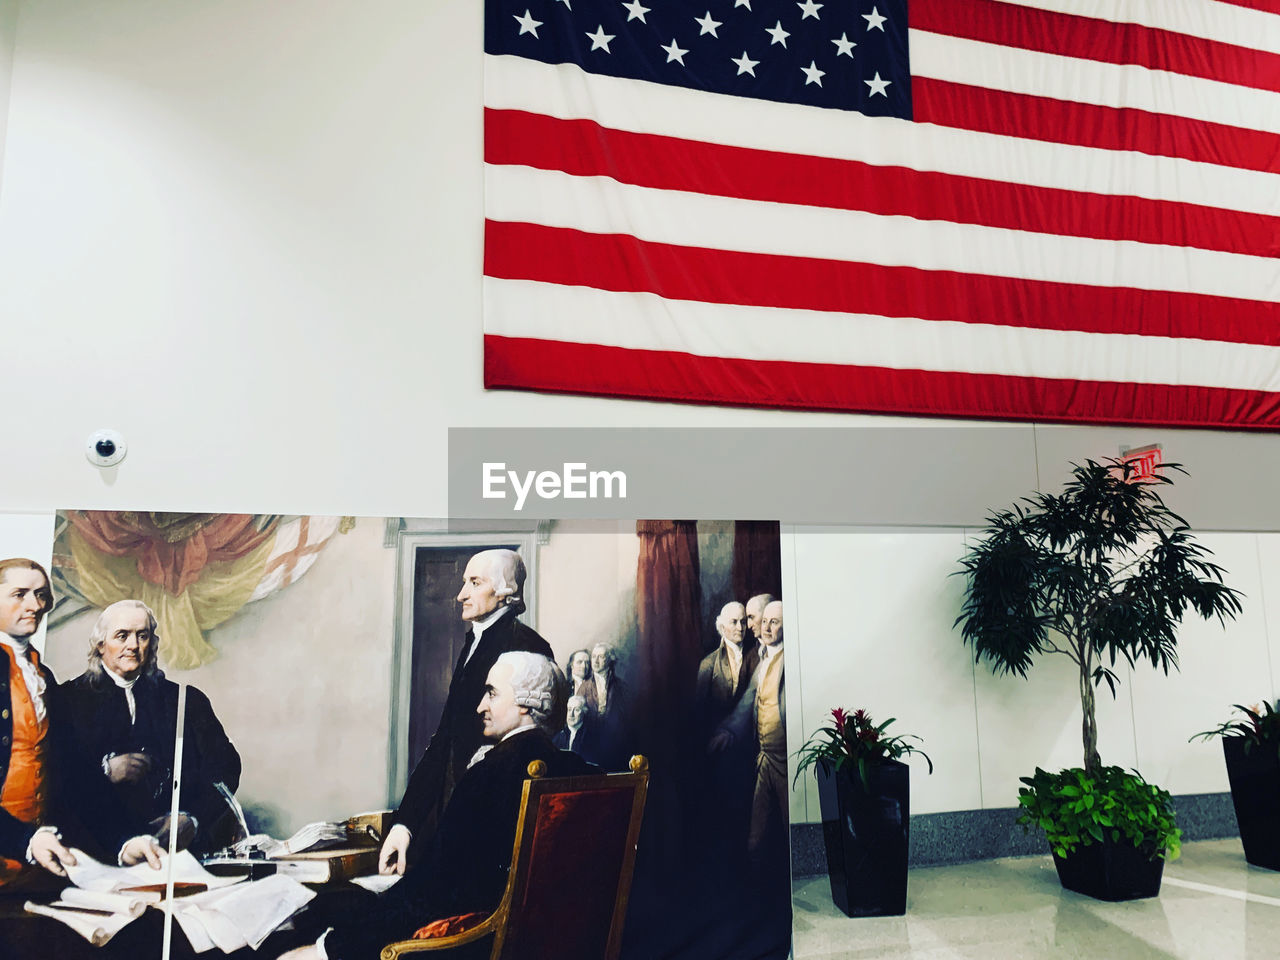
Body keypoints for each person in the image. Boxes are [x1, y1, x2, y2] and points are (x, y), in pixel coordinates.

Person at [276, 652, 594, 960]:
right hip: (548, 943)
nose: (481, 706)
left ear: (527, 703)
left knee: (308, 922)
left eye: (492, 694)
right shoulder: (581, 771)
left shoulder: (487, 776)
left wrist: (331, 949)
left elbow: (434, 894)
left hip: (471, 944)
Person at [381, 549, 552, 874]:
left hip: (491, 825)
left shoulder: (527, 647)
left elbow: (528, 747)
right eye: (465, 583)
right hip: (454, 816)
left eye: (475, 583)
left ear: (506, 593)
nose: (461, 595)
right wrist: (405, 825)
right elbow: (445, 740)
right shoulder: (474, 642)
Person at [59, 599, 242, 865]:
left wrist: (193, 818)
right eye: (122, 636)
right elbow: (54, 778)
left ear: (151, 644)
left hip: (177, 856)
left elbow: (225, 768)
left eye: (141, 636)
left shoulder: (185, 701)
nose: (133, 645)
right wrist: (105, 771)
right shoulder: (67, 701)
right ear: (101, 645)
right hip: (98, 855)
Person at [0, 559, 79, 884]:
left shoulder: (43, 675)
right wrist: (24, 840)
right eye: (20, 594)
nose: (35, 605)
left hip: (36, 860)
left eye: (41, 595)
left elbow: (70, 768)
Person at [695, 601, 758, 724]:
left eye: (743, 622)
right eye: (734, 622)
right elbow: (700, 710)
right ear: (723, 628)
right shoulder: (708, 664)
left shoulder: (756, 655)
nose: (740, 628)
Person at [552, 694, 597, 762]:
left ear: (584, 712)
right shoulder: (558, 737)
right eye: (569, 710)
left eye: (576, 710)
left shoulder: (590, 737)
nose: (571, 714)